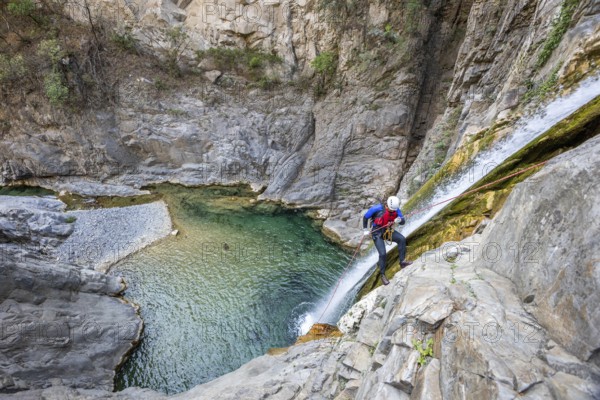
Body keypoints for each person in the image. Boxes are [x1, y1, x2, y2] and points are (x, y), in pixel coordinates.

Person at [363, 196, 412, 285]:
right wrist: (365, 230)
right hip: (377, 233)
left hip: (387, 231)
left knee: (401, 239)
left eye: (394, 210)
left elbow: (403, 221)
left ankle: (402, 262)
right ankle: (382, 275)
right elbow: (365, 217)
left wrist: (399, 220)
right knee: (382, 254)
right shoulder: (377, 208)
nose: (393, 211)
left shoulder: (396, 210)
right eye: (391, 210)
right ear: (387, 205)